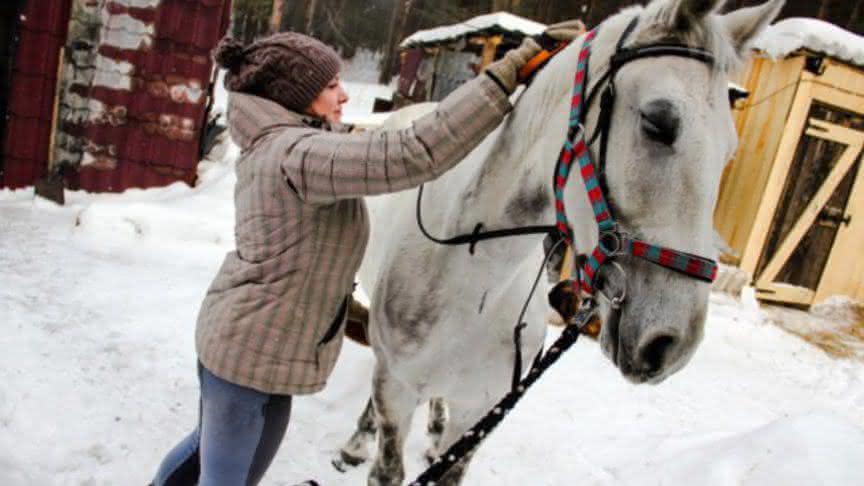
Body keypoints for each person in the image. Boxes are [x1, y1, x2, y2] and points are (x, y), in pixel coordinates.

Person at [152, 21, 583, 486]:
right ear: (295, 97)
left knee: (211, 456)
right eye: (331, 85)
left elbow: (366, 148)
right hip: (243, 357)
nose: (343, 96)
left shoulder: (295, 142)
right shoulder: (296, 155)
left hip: (258, 353)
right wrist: (509, 70)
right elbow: (412, 152)